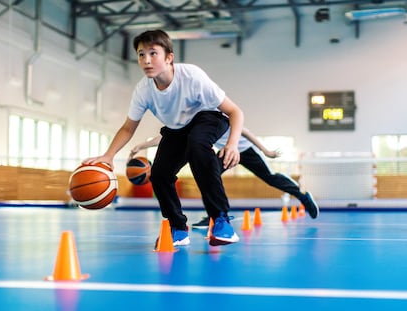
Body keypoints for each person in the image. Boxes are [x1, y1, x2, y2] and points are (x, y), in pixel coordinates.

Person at [83, 29, 244, 247]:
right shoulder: (143, 90)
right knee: (159, 174)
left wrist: (233, 145)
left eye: (153, 53)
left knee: (198, 146)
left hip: (209, 117)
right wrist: (108, 156)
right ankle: (178, 227)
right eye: (141, 54)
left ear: (169, 57)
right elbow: (128, 127)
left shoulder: (192, 76)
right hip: (177, 128)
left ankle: (221, 219)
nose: (146, 60)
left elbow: (235, 111)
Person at [129, 127, 319, 229]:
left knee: (270, 177)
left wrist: (266, 150)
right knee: (208, 176)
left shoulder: (218, 114)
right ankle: (216, 215)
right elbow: (167, 137)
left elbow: (245, 132)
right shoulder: (193, 121)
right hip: (225, 152)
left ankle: (303, 196)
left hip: (244, 150)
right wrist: (142, 145)